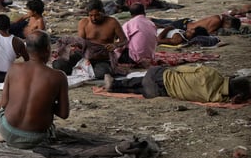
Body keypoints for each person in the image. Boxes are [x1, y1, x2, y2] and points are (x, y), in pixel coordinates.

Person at [0, 31, 70, 149]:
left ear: (27, 49)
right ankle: (4, 136)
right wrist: (44, 102)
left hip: (7, 129)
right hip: (35, 138)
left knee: (5, 97)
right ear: (48, 49)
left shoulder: (14, 68)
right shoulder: (59, 76)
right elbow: (64, 114)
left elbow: (4, 103)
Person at [52, 0, 127, 80]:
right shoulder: (83, 23)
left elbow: (124, 40)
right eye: (91, 15)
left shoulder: (112, 22)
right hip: (84, 56)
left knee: (103, 72)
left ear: (103, 12)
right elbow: (81, 43)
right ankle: (80, 69)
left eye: (97, 15)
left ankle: (83, 70)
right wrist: (74, 46)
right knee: (58, 65)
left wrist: (115, 45)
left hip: (101, 58)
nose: (93, 18)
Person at [104, 66, 249, 104]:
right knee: (143, 89)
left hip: (157, 78)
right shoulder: (217, 98)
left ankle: (116, 83)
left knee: (160, 73)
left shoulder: (211, 73)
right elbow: (231, 99)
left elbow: (180, 70)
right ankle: (122, 88)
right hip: (156, 93)